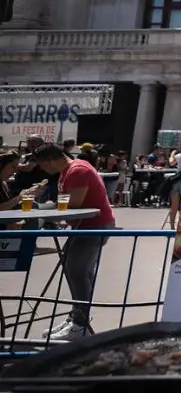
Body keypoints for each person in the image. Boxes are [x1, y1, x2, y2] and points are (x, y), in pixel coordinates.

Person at [31, 142, 118, 340]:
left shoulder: (78, 171)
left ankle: (80, 324)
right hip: (84, 226)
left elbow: (73, 205)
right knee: (74, 269)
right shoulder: (68, 171)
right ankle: (77, 317)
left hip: (94, 225)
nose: (44, 171)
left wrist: (42, 207)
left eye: (43, 166)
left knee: (78, 271)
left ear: (51, 160)